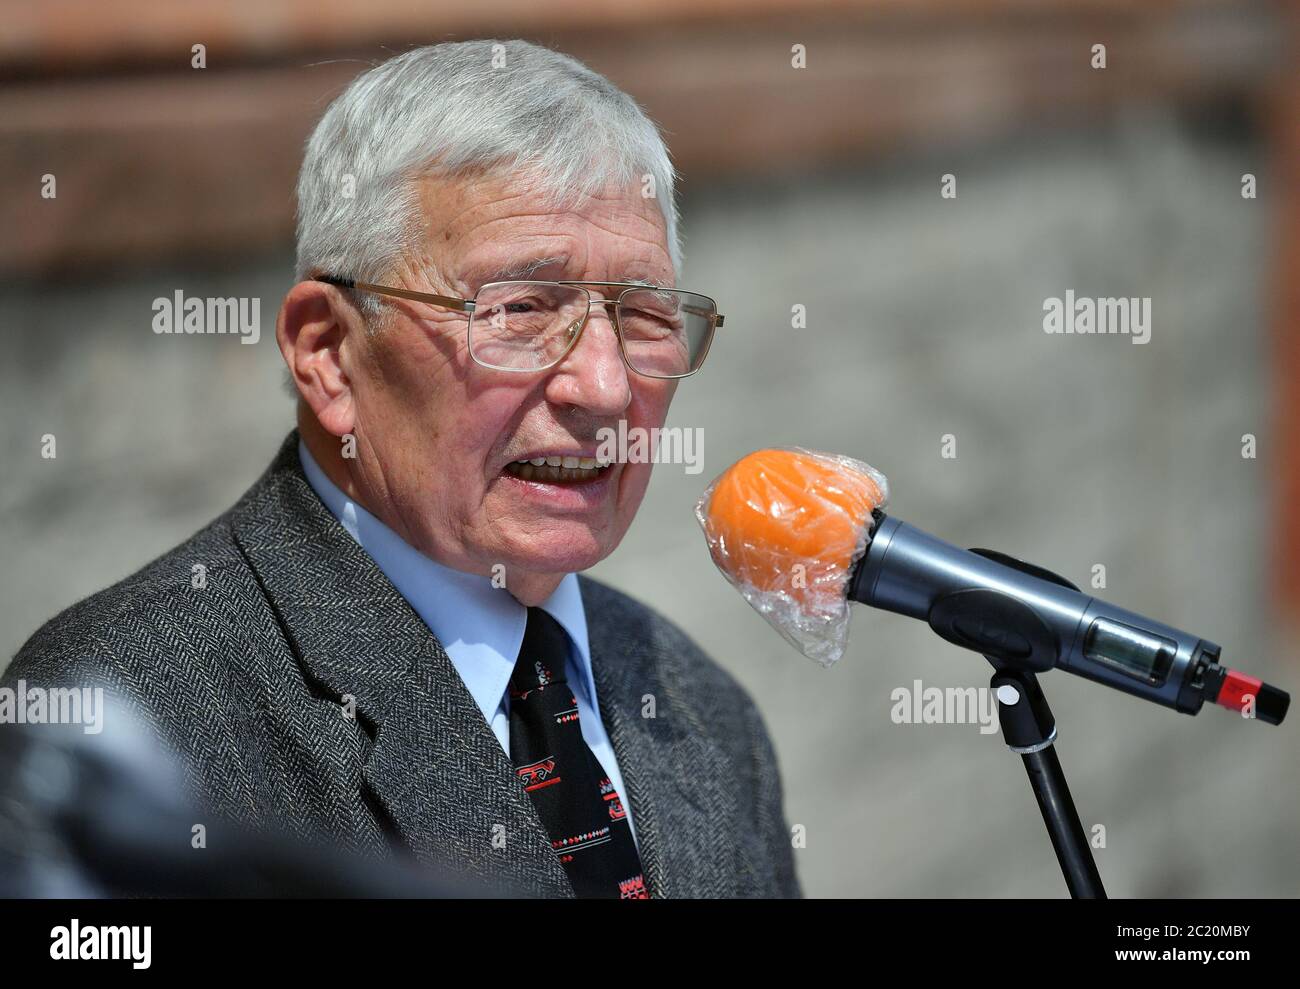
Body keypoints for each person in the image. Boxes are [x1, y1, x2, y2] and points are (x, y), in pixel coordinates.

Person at [5, 39, 800, 899]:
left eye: (644, 314)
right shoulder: (135, 714)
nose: (605, 388)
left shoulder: (698, 706)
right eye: (523, 308)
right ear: (330, 355)